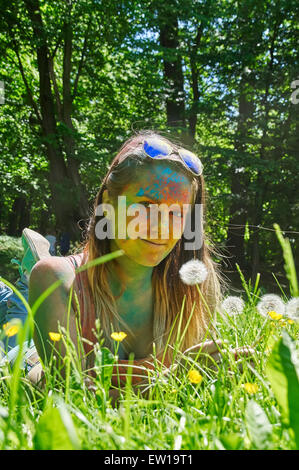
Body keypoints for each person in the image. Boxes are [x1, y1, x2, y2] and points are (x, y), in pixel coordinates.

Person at [1, 131, 253, 402]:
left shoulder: (195, 285)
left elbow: (201, 376)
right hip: (31, 362)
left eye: (176, 213)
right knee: (16, 328)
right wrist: (172, 384)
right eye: (146, 205)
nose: (161, 227)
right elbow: (73, 398)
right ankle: (32, 271)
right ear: (109, 202)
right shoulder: (56, 278)